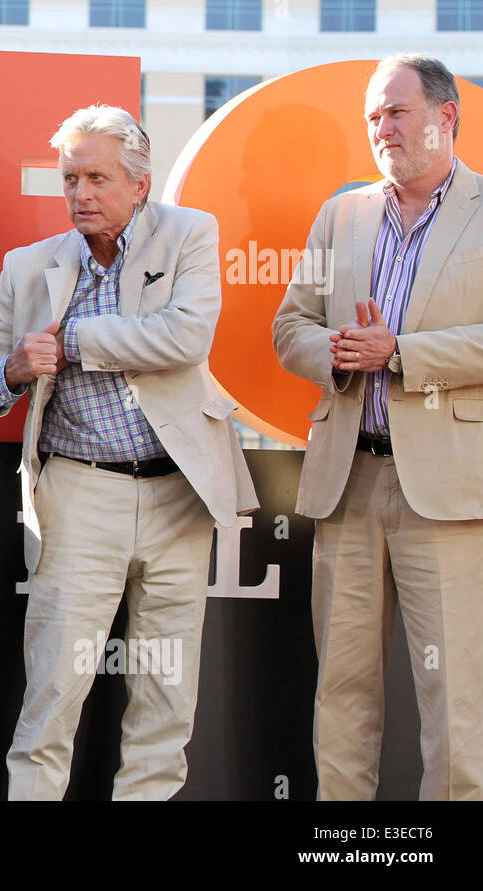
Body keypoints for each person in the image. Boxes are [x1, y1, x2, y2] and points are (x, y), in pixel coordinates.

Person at [0, 105, 257, 800]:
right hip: (80, 491)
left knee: (166, 696)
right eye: (70, 179)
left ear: (140, 181)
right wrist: (12, 371)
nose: (81, 193)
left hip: (181, 490)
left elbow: (184, 338)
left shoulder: (191, 234)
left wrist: (73, 342)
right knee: (54, 689)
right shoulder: (29, 267)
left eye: (97, 176)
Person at [273, 54, 483, 801]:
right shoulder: (344, 213)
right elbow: (290, 322)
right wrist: (336, 353)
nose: (381, 128)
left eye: (396, 112)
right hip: (349, 480)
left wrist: (402, 353)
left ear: (446, 115)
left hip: (449, 494)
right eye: (372, 116)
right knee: (343, 694)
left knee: (455, 703)